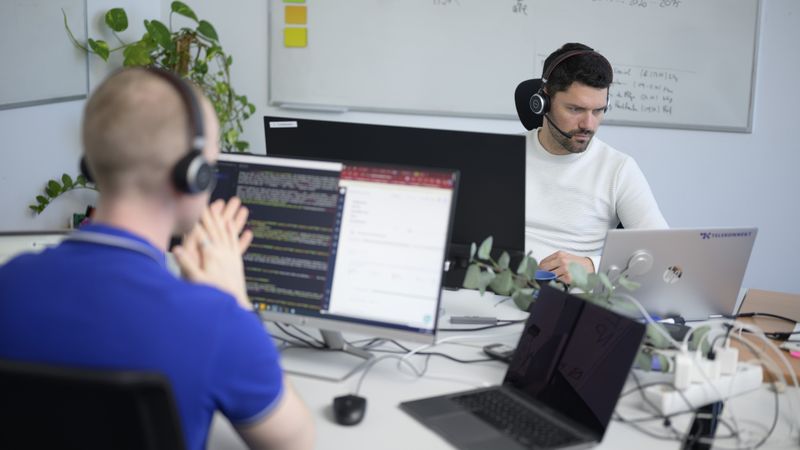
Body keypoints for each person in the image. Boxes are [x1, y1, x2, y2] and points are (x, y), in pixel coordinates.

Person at [0, 68, 314, 450]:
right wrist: (238, 301)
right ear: (192, 175)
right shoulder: (218, 322)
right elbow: (296, 444)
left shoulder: (9, 281)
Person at [525, 43, 667, 283]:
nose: (589, 125)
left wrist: (592, 266)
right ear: (543, 101)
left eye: (598, 111)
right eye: (575, 109)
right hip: (496, 292)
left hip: (570, 297)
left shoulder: (618, 169)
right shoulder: (502, 153)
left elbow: (662, 251)